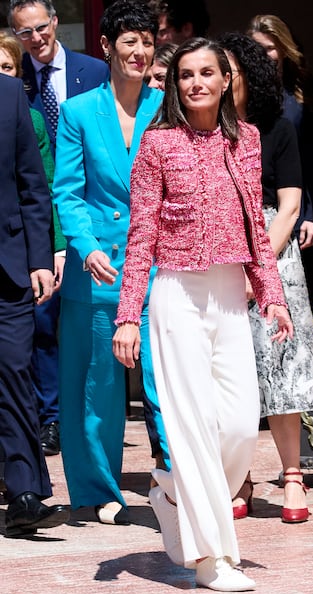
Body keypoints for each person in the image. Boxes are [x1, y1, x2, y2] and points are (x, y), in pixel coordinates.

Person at [113, 37, 292, 591]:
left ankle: (171, 492)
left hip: (230, 292)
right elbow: (141, 234)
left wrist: (273, 295)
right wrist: (127, 315)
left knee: (239, 425)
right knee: (191, 427)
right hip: (177, 297)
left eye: (206, 73)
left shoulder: (248, 140)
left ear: (225, 80)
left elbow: (256, 230)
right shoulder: (158, 143)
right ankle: (213, 558)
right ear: (176, 83)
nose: (195, 83)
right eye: (186, 74)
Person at [52, 0, 163, 524]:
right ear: (107, 46)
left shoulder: (167, 107)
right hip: (97, 267)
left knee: (166, 381)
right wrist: (87, 245)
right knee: (95, 386)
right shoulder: (77, 112)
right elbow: (68, 192)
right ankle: (100, 492)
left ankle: (181, 481)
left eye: (147, 41)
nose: (140, 52)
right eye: (130, 41)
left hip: (159, 265)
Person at [218, 33, 313, 522]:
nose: (218, 80)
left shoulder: (278, 128)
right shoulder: (203, 134)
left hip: (272, 256)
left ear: (247, 77)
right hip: (217, 254)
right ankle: (239, 477)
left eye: (228, 71)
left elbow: (290, 206)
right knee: (231, 371)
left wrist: (258, 268)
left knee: (282, 365)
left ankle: (293, 477)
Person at [8, 0, 110, 457]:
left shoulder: (94, 70)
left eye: (41, 28)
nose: (35, 38)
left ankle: (95, 415)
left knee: (96, 319)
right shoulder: (15, 82)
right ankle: (51, 416)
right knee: (44, 320)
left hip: (96, 208)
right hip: (41, 209)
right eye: (24, 32)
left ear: (55, 23)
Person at [0, 73, 69, 538]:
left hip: (8, 268)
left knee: (14, 370)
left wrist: (40, 258)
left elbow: (32, 184)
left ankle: (25, 494)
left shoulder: (8, 95)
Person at [247, 14, 313, 302]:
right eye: (257, 48)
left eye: (270, 47)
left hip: (295, 199)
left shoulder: (301, 99)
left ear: (283, 49)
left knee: (296, 280)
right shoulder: (244, 96)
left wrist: (310, 214)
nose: (265, 55)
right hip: (257, 197)